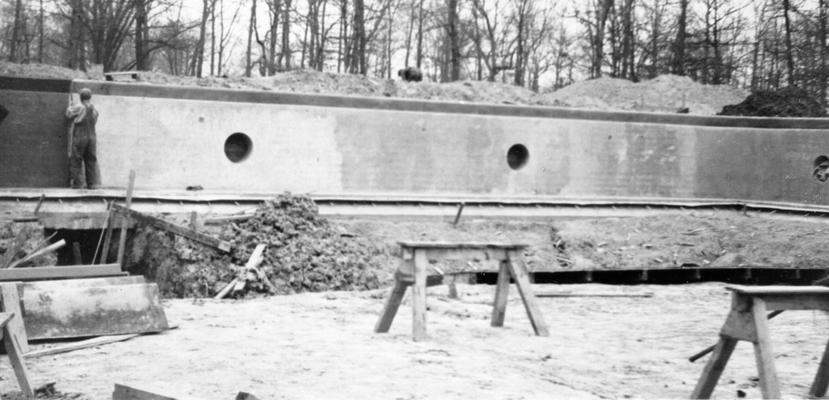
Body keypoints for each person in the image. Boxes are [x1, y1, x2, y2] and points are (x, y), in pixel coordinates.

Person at [65, 88, 100, 189]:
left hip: (80, 135)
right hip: (92, 137)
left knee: (76, 159)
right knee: (91, 160)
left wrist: (70, 105)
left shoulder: (79, 107)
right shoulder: (94, 109)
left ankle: (78, 184)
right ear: (90, 97)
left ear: (81, 97)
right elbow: (95, 121)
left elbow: (68, 114)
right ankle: (92, 184)